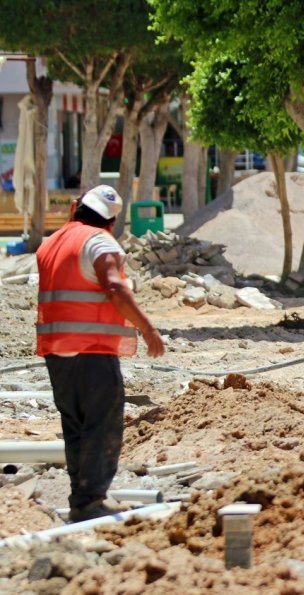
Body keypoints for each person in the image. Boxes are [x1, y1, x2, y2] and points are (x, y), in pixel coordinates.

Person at [36, 185, 165, 523]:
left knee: (76, 425)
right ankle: (91, 500)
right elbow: (114, 286)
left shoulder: (51, 243)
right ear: (110, 220)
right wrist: (148, 329)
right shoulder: (99, 240)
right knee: (102, 422)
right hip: (92, 348)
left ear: (77, 208)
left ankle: (82, 500)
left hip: (56, 349)